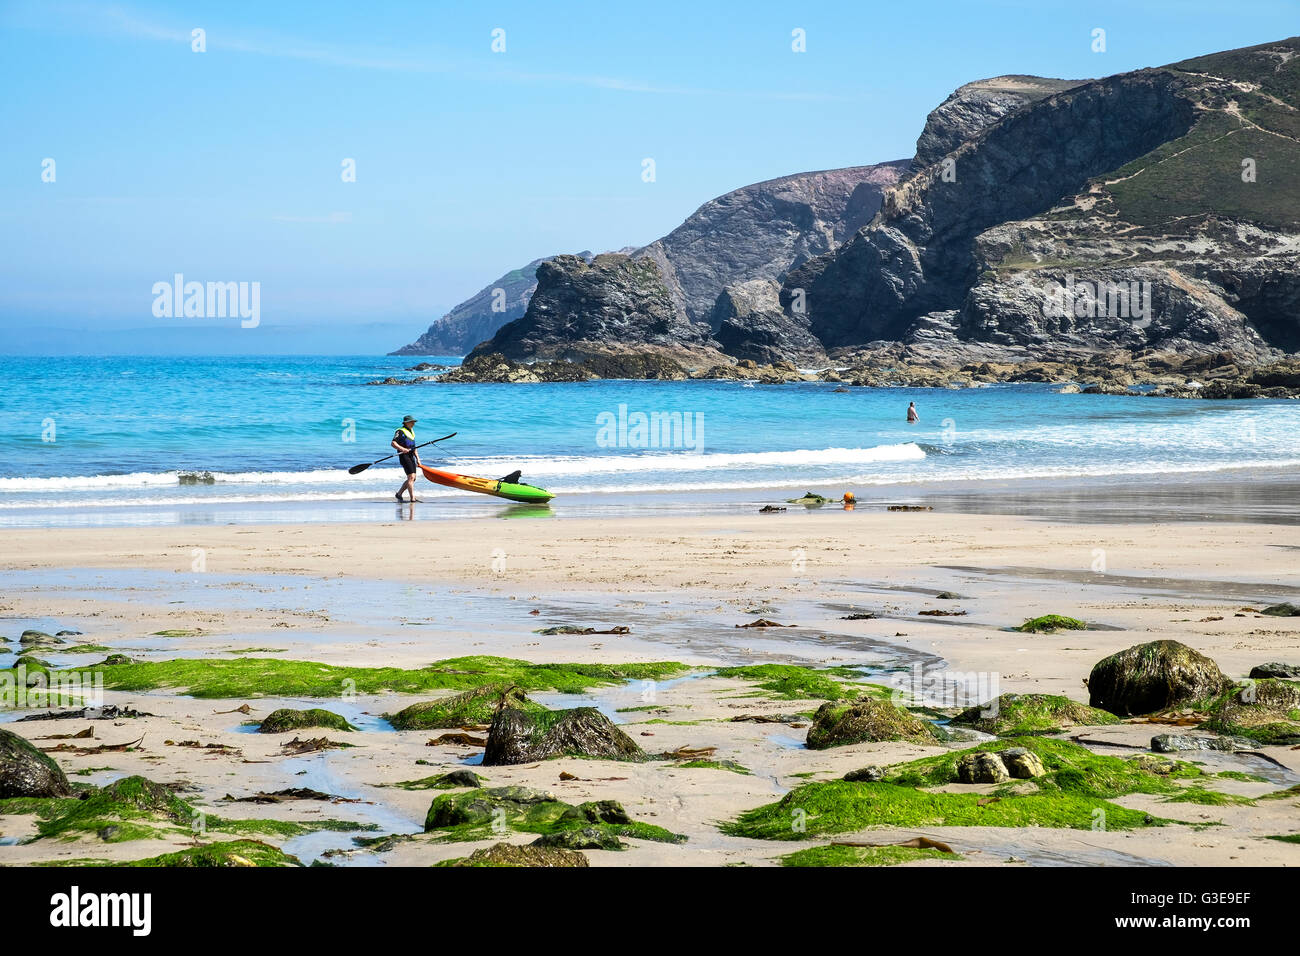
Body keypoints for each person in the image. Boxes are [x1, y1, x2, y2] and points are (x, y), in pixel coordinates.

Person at [392, 415, 422, 502]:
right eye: (412, 422)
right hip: (404, 456)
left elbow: (414, 446)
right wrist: (403, 449)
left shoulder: (411, 431)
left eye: (414, 422)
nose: (413, 424)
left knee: (413, 478)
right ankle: (412, 498)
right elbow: (393, 443)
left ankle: (399, 494)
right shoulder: (400, 431)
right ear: (406, 423)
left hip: (411, 455)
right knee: (411, 477)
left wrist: (418, 458)